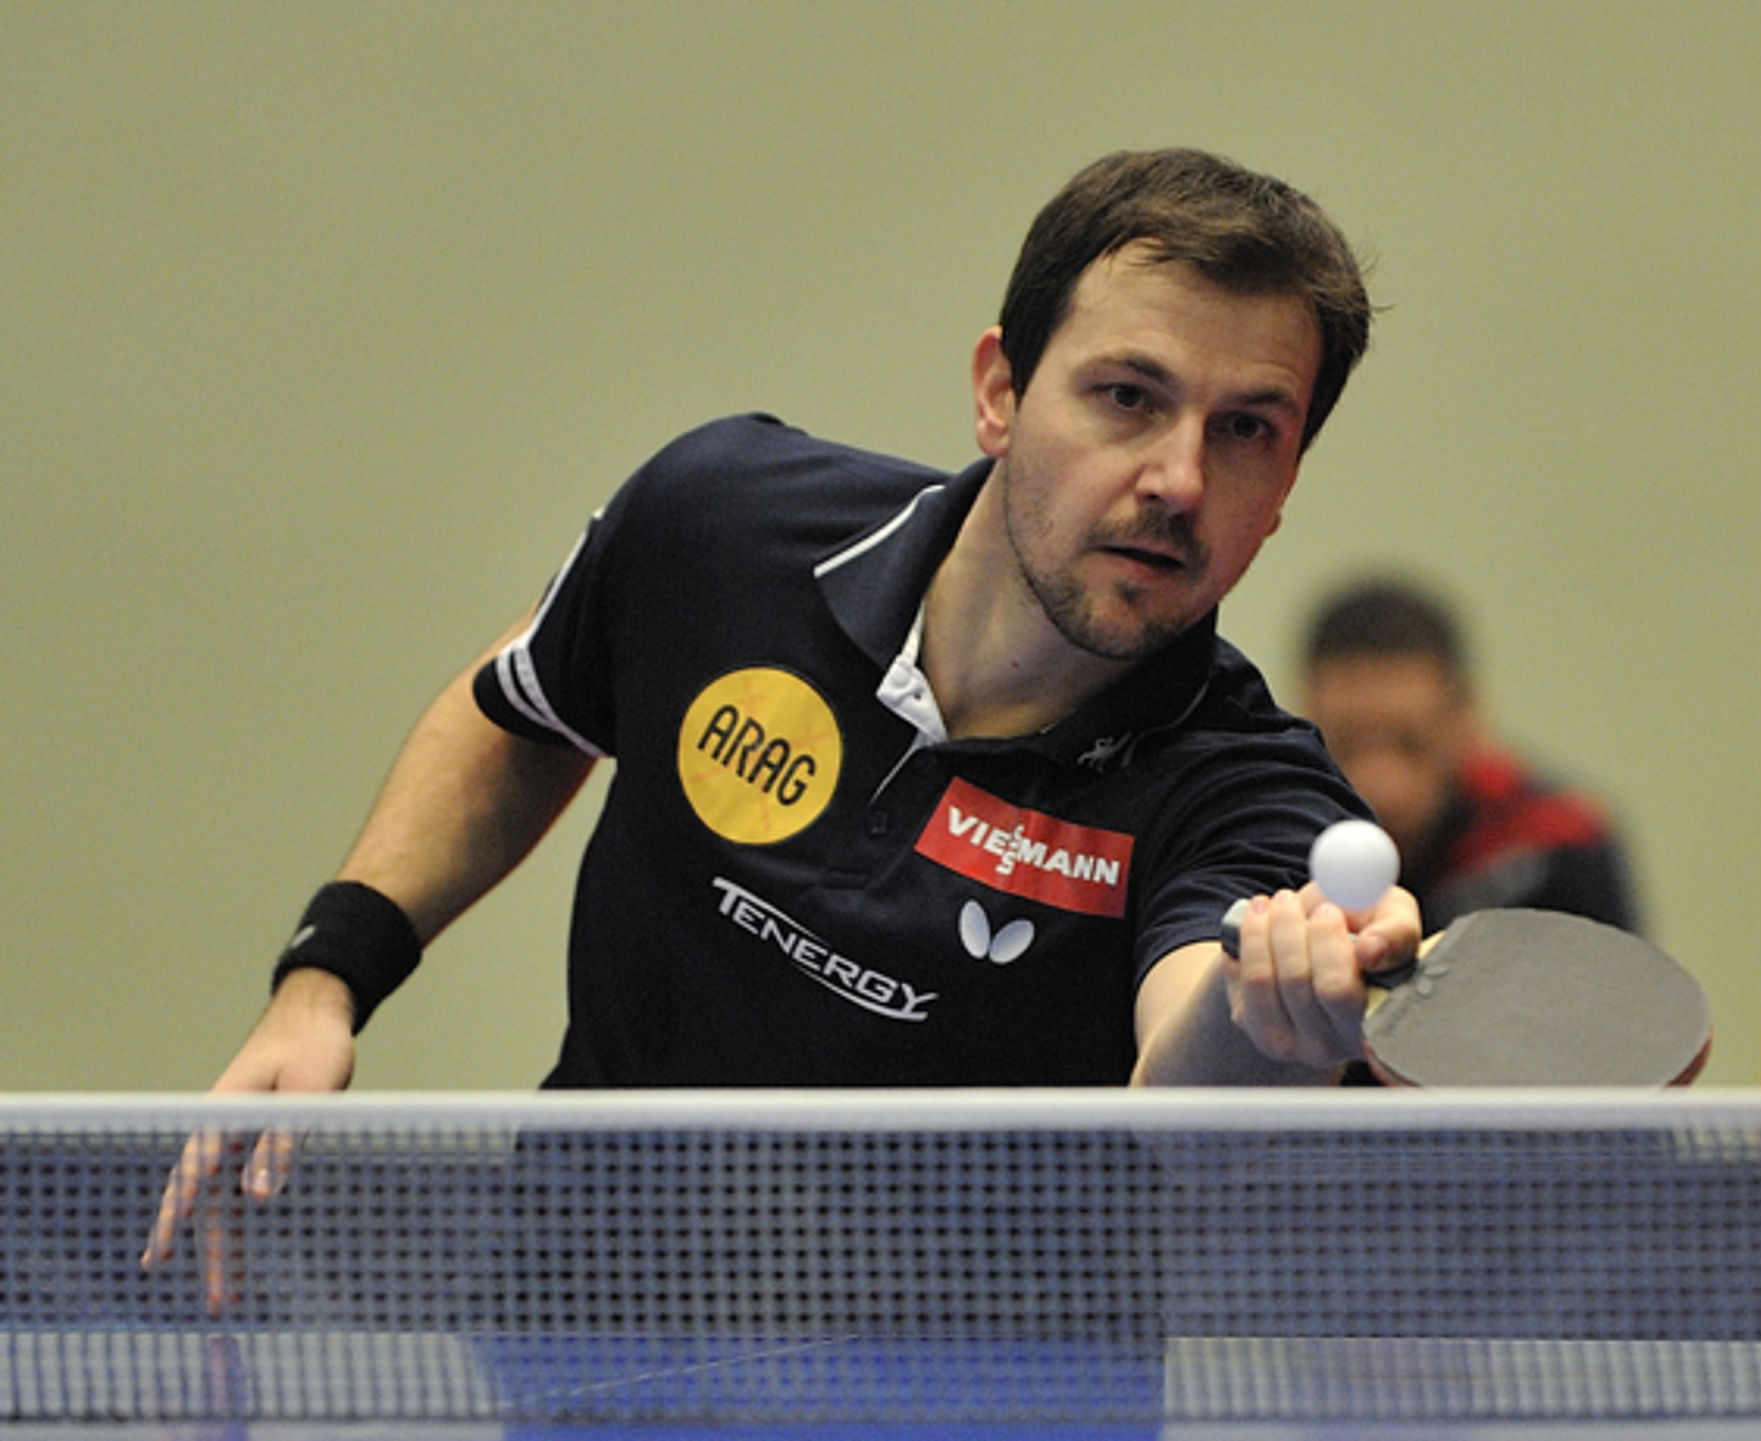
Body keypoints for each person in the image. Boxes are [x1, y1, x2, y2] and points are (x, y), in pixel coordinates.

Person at [144, 149, 1422, 1303]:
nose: (1180, 479)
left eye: (1246, 430)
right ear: (1000, 391)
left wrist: (1264, 1019)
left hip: (978, 1399)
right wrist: (328, 979)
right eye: (1128, 396)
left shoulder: (1257, 796)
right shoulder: (723, 530)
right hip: (581, 1339)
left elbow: (1183, 1100)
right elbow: (527, 702)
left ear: (1286, 484)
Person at [1298, 576, 1640, 935]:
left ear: (1465, 718)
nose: (1381, 784)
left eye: (1410, 745)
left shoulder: (1559, 842)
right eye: (1350, 745)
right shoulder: (1274, 846)